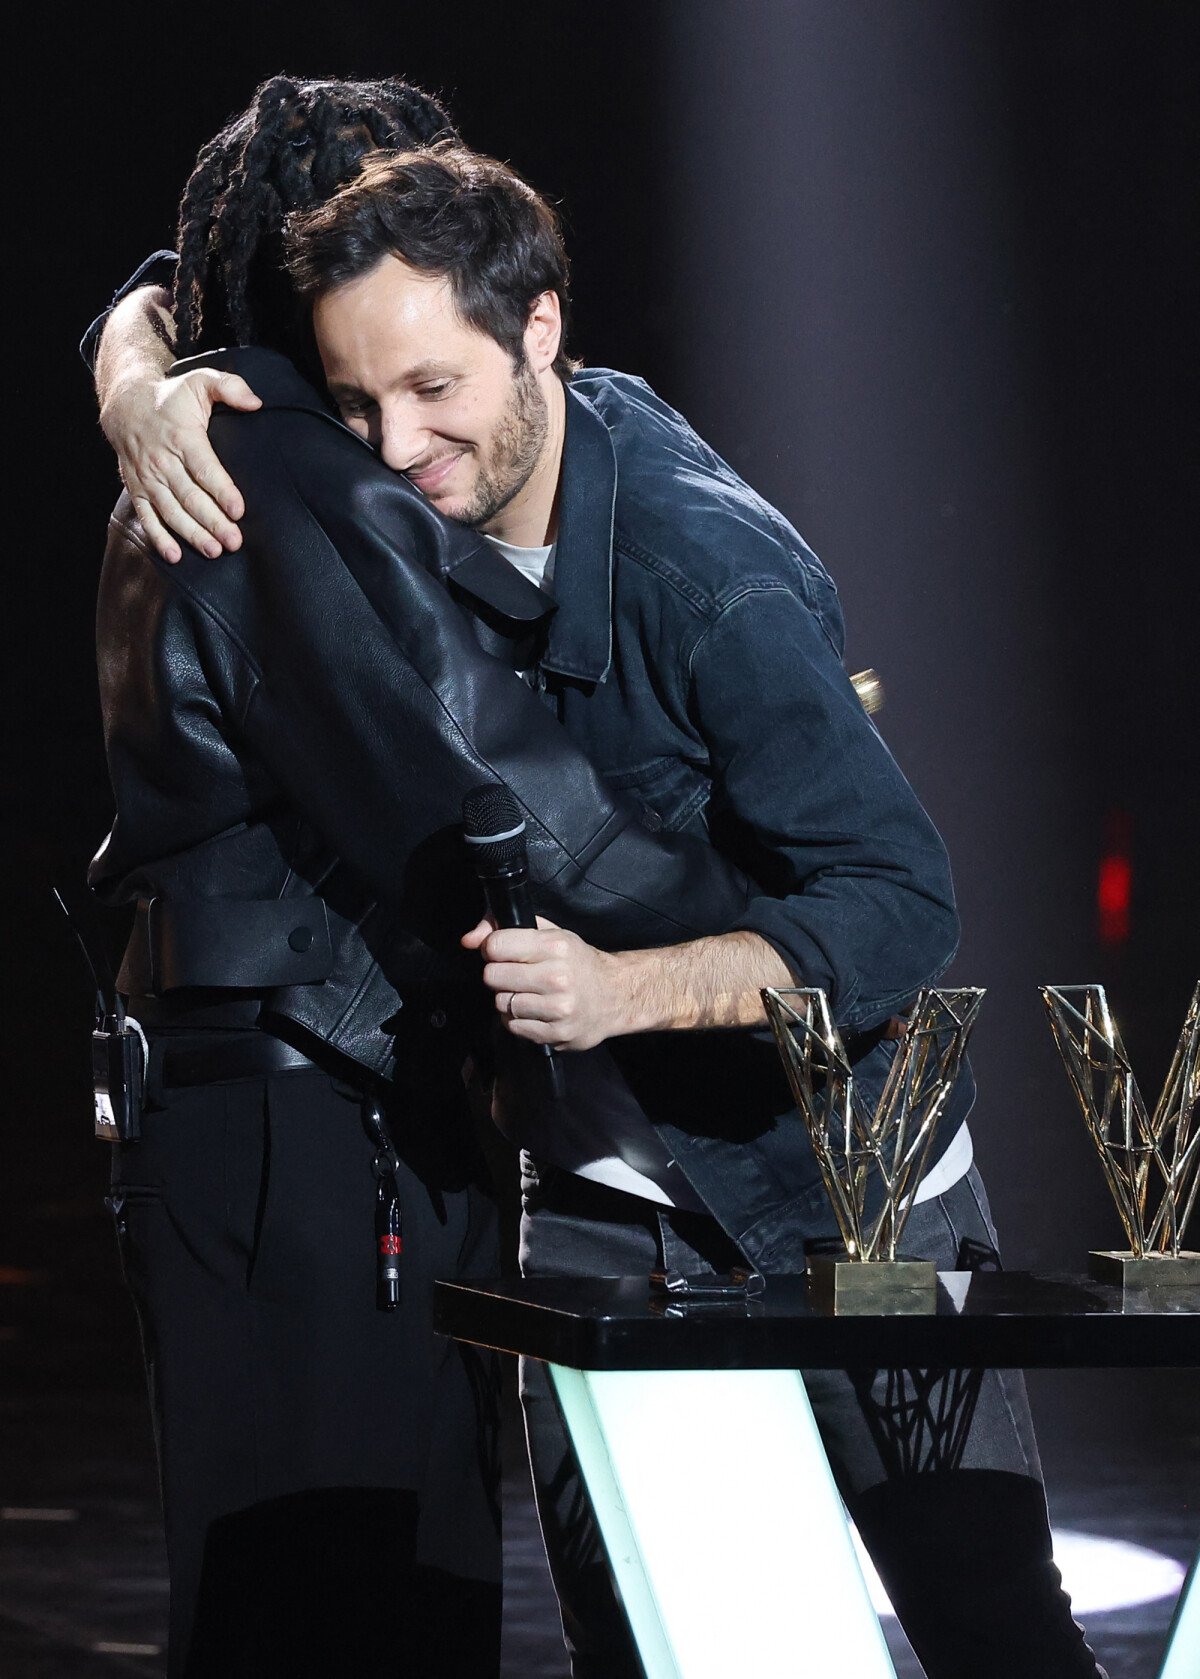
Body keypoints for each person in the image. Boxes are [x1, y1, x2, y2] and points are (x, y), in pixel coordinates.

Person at [275, 144, 1106, 1679]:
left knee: (985, 1621)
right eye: (356, 402)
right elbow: (192, 315)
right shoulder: (437, 446)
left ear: (538, 328)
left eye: (433, 391)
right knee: (647, 1647)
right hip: (603, 1182)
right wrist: (137, 374)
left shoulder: (705, 574)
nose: (395, 446)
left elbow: (901, 906)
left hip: (848, 1173)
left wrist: (619, 991)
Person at [85, 77, 754, 1679]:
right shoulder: (288, 472)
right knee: (356, 1596)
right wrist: (759, 930)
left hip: (263, 1107)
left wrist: (122, 359)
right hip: (318, 1125)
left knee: (299, 1593)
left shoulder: (204, 439)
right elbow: (488, 793)